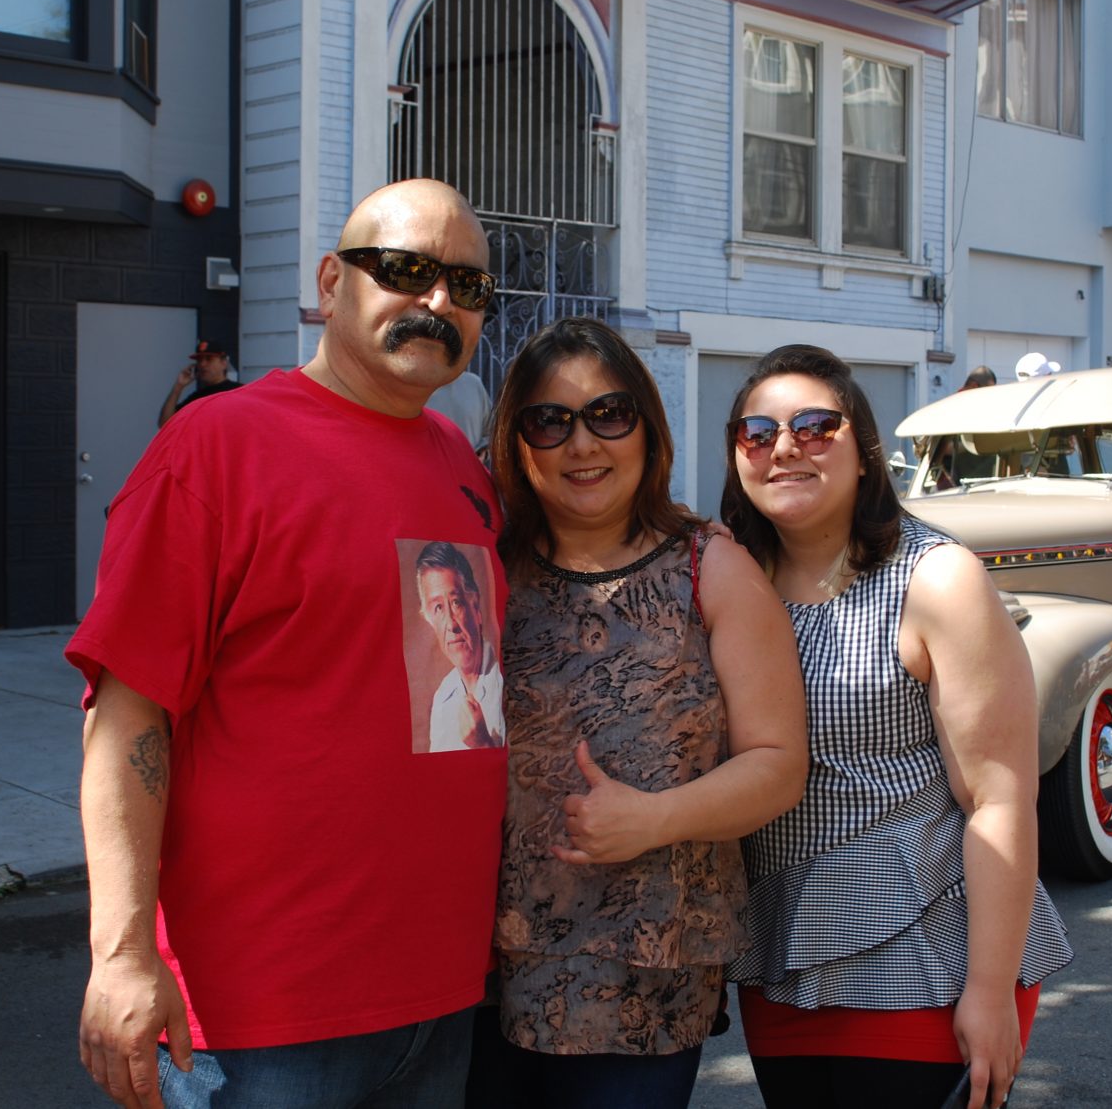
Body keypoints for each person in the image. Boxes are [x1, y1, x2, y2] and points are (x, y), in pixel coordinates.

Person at [69, 179, 509, 1109]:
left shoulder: (460, 466)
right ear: (329, 281)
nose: (438, 301)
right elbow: (127, 711)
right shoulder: (215, 447)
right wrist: (121, 952)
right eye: (404, 269)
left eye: (467, 286)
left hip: (441, 998)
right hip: (261, 1018)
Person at [721, 345, 1073, 1109]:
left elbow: (999, 798)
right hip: (783, 962)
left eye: (816, 426)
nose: (785, 446)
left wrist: (987, 990)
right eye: (758, 432)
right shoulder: (731, 580)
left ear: (864, 452)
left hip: (926, 961)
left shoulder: (935, 578)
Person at [473, 317, 807, 1109]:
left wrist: (656, 818)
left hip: (641, 979)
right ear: (519, 444)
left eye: (608, 414)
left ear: (647, 430)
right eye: (550, 421)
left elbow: (778, 762)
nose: (582, 444)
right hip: (483, 965)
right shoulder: (485, 564)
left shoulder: (709, 567)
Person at [418, 541, 505, 750]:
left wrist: (483, 744)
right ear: (429, 620)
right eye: (438, 608)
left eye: (456, 602)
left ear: (475, 607)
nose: (451, 624)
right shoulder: (442, 699)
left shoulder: (506, 676)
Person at [155, 341, 240, 429]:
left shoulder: (238, 391)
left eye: (209, 359)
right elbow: (165, 424)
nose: (202, 364)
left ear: (224, 363)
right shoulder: (195, 398)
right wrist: (178, 386)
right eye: (199, 360)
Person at [426, 369, 491, 453]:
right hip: (429, 464)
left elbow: (491, 433)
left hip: (469, 465)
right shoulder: (416, 388)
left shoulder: (474, 384)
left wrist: (483, 453)